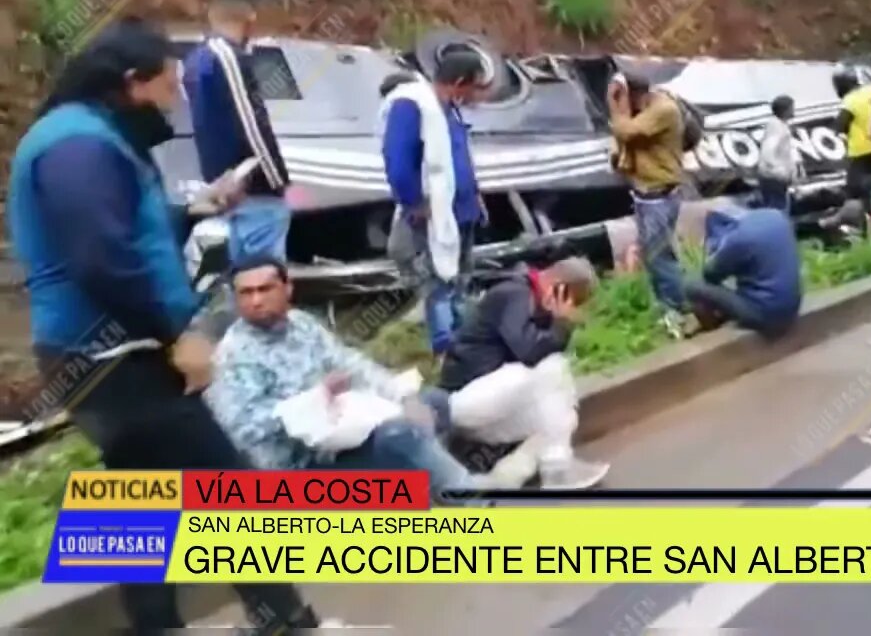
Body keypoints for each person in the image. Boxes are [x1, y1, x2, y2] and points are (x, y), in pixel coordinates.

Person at [7, 17, 322, 633]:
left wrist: (196, 207)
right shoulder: (77, 145)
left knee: (136, 495)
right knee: (227, 484)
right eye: (169, 85)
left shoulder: (93, 138)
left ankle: (156, 625)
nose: (176, 100)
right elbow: (103, 258)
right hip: (112, 354)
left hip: (98, 352)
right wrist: (177, 335)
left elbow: (128, 231)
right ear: (131, 83)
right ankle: (286, 620)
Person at [204, 257, 504, 501]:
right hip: (298, 470)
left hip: (340, 437)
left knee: (433, 403)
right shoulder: (234, 353)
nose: (256, 300)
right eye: (246, 293)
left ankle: (419, 494)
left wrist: (404, 397)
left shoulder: (302, 325)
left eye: (265, 289)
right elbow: (240, 428)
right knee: (399, 433)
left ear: (287, 288)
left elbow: (353, 364)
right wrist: (314, 400)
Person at [436, 258, 610, 489]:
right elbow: (528, 351)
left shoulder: (536, 303)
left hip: (495, 400)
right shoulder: (514, 294)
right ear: (559, 288)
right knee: (551, 366)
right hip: (464, 401)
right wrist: (560, 324)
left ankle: (506, 476)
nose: (573, 311)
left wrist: (553, 322)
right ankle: (557, 470)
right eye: (574, 302)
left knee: (563, 418)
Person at [381, 52, 490, 356]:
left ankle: (466, 338)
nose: (475, 95)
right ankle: (447, 349)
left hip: (463, 211)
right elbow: (398, 163)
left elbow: (459, 156)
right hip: (434, 215)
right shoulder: (412, 106)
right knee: (438, 282)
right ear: (458, 83)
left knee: (461, 278)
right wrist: (414, 203)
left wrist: (475, 193)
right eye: (474, 87)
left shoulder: (450, 110)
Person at [183, 0, 293, 264]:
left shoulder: (197, 59)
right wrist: (276, 181)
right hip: (251, 189)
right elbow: (251, 124)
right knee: (262, 274)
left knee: (238, 278)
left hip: (224, 187)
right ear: (250, 18)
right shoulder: (228, 58)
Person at [608, 72, 690, 338]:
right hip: (645, 195)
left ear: (633, 95)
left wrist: (615, 106)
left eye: (623, 97)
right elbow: (620, 144)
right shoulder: (641, 111)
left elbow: (628, 131)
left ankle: (676, 311)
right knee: (655, 256)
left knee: (660, 257)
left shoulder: (663, 109)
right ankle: (668, 307)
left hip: (660, 195)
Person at [684, 205, 802, 338]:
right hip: (792, 307)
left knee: (692, 286)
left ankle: (713, 327)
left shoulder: (739, 239)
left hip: (765, 314)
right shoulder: (776, 216)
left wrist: (718, 253)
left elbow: (710, 274)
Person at [833, 66, 871, 229]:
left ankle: (856, 225)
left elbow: (839, 126)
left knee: (854, 192)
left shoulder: (850, 100)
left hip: (860, 152)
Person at [758, 95, 798, 211]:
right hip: (774, 178)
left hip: (774, 177)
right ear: (785, 110)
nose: (793, 110)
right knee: (778, 210)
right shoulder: (776, 127)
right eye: (792, 107)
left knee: (778, 208)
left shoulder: (780, 125)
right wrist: (780, 172)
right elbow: (768, 152)